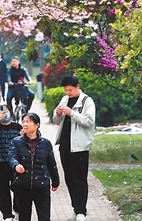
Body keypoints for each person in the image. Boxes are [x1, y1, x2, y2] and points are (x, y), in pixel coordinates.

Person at [53, 75, 95, 221]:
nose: (68, 93)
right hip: (65, 144)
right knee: (69, 178)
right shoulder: (65, 99)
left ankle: (81, 211)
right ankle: (76, 210)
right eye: (65, 90)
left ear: (78, 86)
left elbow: (89, 121)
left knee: (80, 179)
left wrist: (72, 113)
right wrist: (57, 114)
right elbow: (56, 121)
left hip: (80, 146)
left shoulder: (87, 101)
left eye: (70, 90)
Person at [8, 113, 60, 221]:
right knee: (24, 217)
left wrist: (55, 181)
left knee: (44, 217)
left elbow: (52, 164)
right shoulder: (16, 142)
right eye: (24, 122)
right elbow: (11, 156)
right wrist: (16, 165)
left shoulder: (45, 143)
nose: (25, 124)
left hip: (41, 186)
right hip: (23, 185)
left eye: (28, 121)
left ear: (37, 125)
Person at [0, 104, 23, 221]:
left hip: (16, 165)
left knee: (18, 188)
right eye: (1, 112)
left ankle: (17, 209)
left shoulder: (17, 127)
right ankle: (7, 215)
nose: (4, 114)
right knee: (3, 191)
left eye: (6, 112)